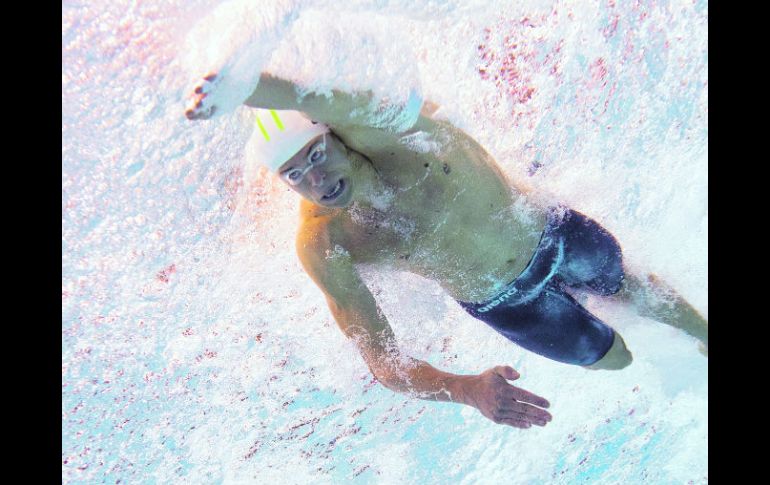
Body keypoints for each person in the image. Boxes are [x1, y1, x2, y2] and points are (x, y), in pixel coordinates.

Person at [185, 71, 707, 430]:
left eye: (318, 156)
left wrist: (245, 84)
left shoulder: (386, 126)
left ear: (337, 136)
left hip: (546, 228)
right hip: (509, 305)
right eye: (296, 176)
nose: (318, 181)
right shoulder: (325, 243)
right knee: (613, 359)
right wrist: (466, 390)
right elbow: (384, 364)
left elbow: (315, 93)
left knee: (633, 288)